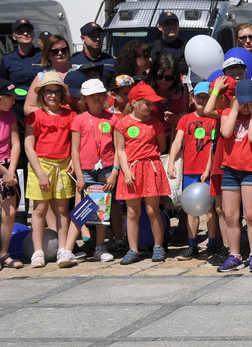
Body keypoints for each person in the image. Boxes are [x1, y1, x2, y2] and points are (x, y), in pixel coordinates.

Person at [23, 71, 77, 268]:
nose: (52, 95)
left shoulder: (70, 115)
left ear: (62, 94)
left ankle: (63, 249)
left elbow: (74, 143)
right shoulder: (35, 117)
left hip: (63, 166)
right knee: (40, 208)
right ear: (41, 94)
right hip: (42, 166)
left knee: (63, 209)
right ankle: (38, 251)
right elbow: (29, 147)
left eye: (56, 91)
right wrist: (40, 173)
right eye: (48, 92)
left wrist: (73, 159)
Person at [114, 82, 171, 264]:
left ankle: (158, 246)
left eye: (152, 104)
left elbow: (162, 146)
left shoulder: (155, 123)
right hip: (131, 169)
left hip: (151, 168)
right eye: (147, 103)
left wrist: (149, 158)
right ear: (134, 103)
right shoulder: (122, 123)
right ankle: (133, 248)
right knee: (132, 211)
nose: (151, 107)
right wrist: (126, 170)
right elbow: (120, 150)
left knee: (152, 210)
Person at [214, 78, 252, 272]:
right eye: (243, 101)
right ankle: (235, 255)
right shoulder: (228, 113)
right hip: (230, 170)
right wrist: (235, 110)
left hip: (251, 170)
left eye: (250, 101)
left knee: (251, 214)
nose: (246, 105)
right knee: (230, 215)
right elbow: (226, 133)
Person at [69, 78, 117, 261]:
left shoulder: (112, 118)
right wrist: (79, 175)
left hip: (105, 168)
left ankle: (99, 246)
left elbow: (118, 147)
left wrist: (114, 172)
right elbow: (74, 149)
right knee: (81, 208)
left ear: (105, 96)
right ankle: (68, 248)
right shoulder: (79, 119)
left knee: (102, 209)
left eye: (99, 94)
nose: (96, 98)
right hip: (86, 170)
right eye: (91, 95)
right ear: (84, 98)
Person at [169, 81, 216, 260]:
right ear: (192, 98)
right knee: (190, 208)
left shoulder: (214, 120)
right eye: (199, 97)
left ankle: (212, 242)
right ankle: (192, 244)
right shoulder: (185, 119)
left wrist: (207, 169)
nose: (202, 101)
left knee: (210, 208)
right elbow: (177, 142)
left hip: (208, 171)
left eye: (206, 97)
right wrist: (171, 162)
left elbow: (214, 147)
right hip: (189, 170)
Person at [25, 34, 76, 115]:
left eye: (64, 49)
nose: (60, 53)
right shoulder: (42, 76)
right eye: (55, 51)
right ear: (48, 54)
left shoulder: (81, 70)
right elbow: (28, 108)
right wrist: (52, 115)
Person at [1, 19, 43, 111]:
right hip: (16, 105)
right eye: (20, 32)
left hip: (39, 104)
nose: (25, 34)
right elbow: (4, 84)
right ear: (14, 37)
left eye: (28, 31)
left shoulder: (44, 56)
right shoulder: (7, 59)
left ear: (33, 34)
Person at [0, 79, 20, 269]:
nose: (13, 101)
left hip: (8, 167)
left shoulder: (10, 116)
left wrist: (11, 170)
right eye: (10, 98)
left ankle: (3, 253)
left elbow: (15, 143)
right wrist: (5, 172)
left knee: (9, 212)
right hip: (2, 169)